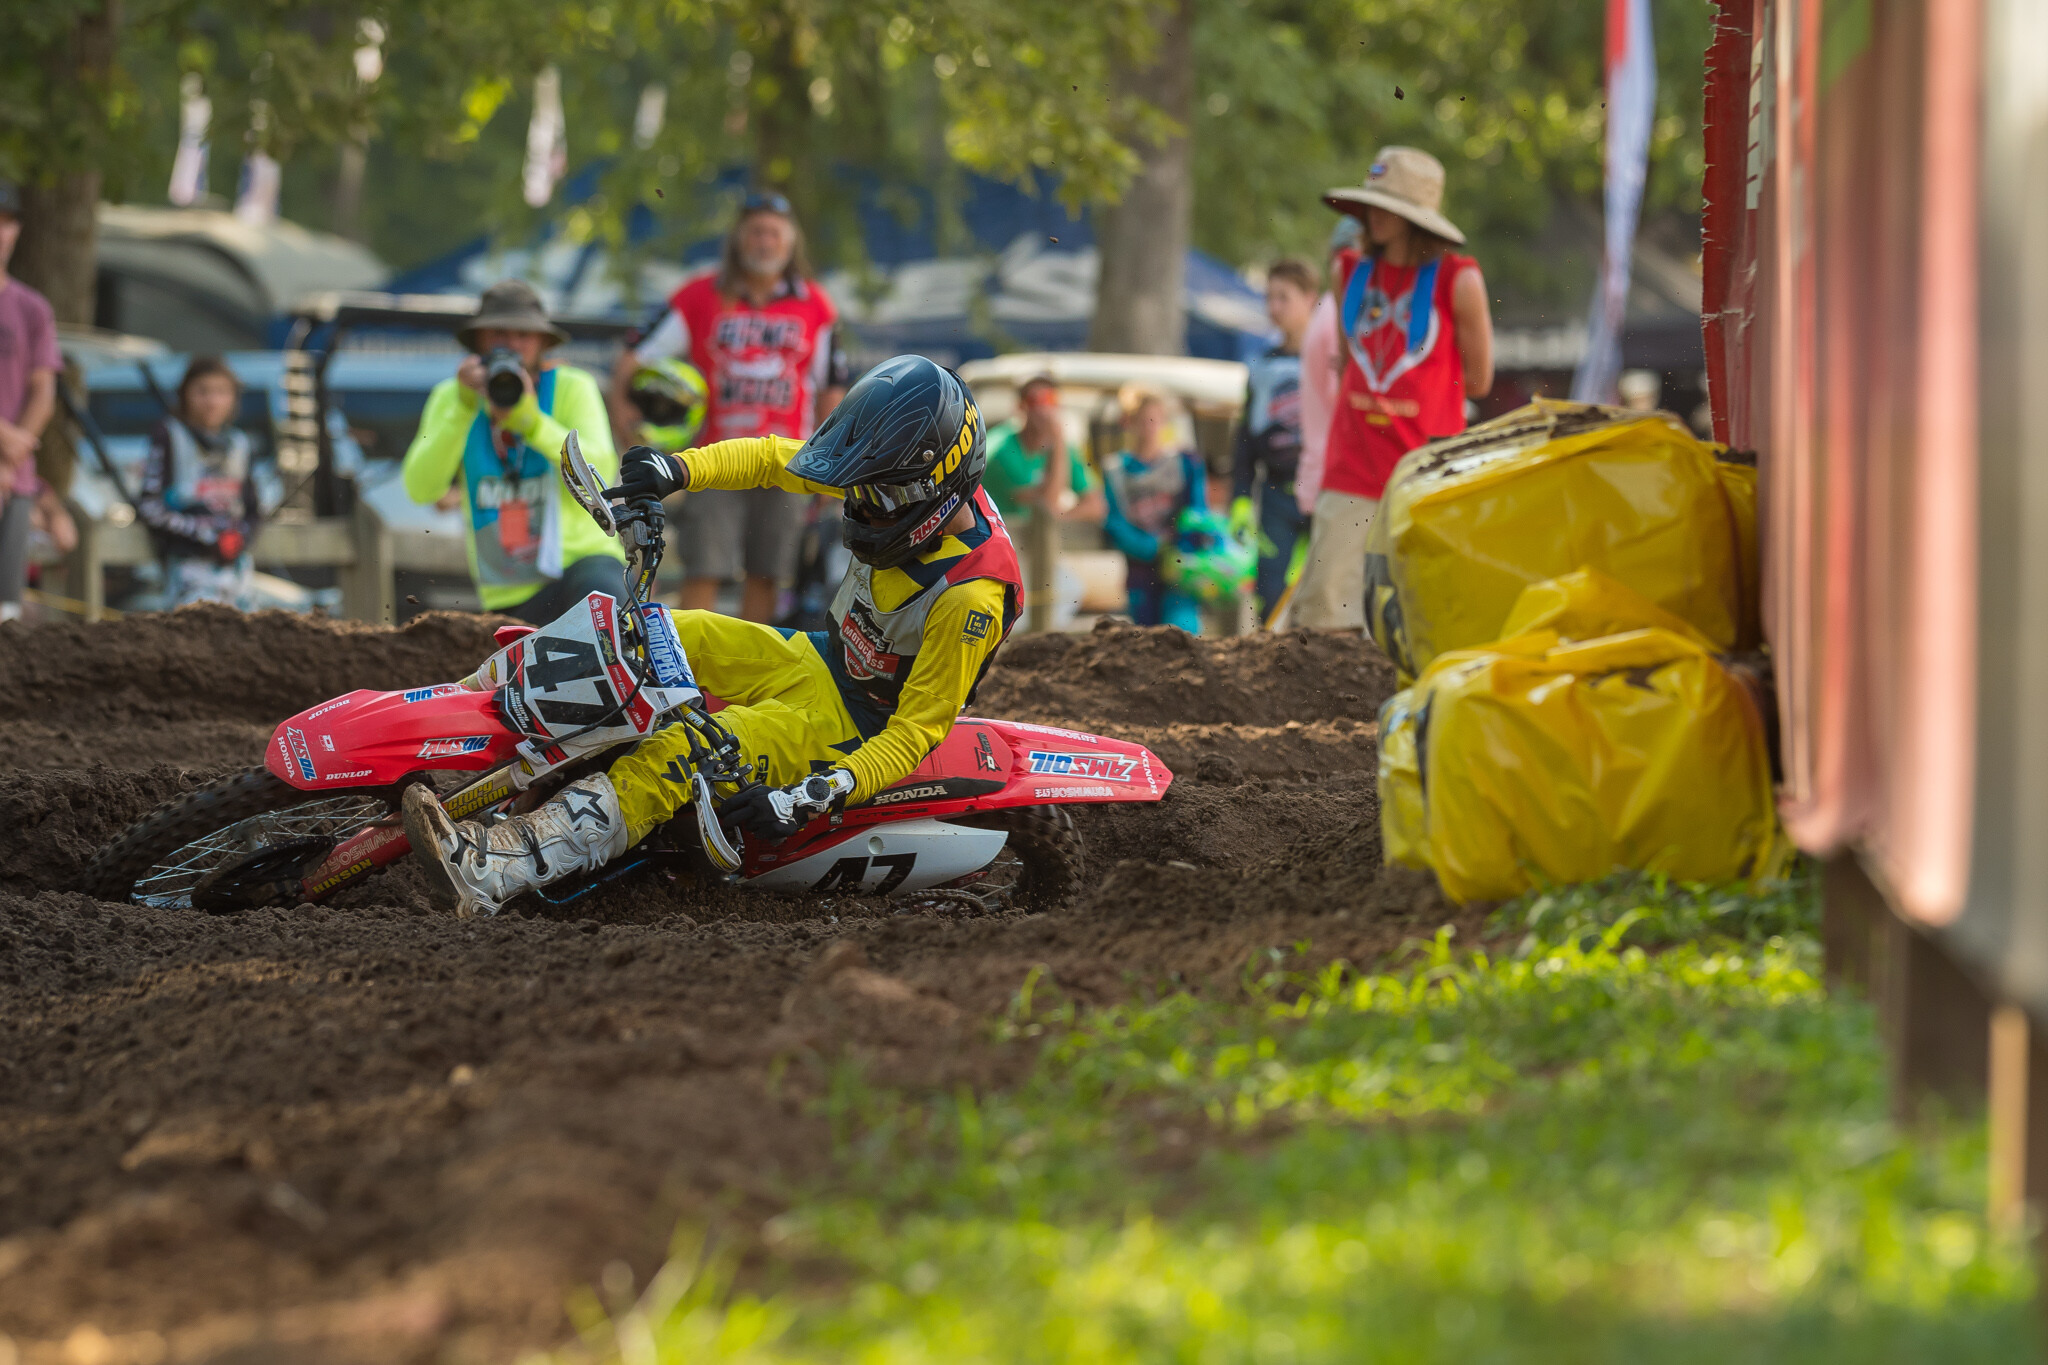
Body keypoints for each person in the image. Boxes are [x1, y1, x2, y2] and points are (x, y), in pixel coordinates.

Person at [400, 356, 1024, 918]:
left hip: (855, 723)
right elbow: (771, 459)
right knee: (647, 631)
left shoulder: (970, 597)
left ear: (932, 493)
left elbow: (916, 731)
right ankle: (438, 728)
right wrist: (677, 468)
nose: (858, 506)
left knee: (682, 753)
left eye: (877, 498)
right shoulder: (887, 476)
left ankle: (496, 870)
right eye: (860, 489)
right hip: (821, 657)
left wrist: (816, 794)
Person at [609, 191, 848, 623]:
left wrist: (828, 463)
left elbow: (832, 386)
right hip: (713, 460)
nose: (764, 242)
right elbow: (634, 358)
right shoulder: (699, 296)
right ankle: (690, 668)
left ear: (791, 242)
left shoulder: (816, 305)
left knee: (768, 572)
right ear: (738, 239)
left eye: (774, 233)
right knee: (704, 564)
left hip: (789, 460)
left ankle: (748, 671)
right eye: (756, 232)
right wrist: (626, 419)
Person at [1289, 147, 1494, 632]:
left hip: (1426, 478)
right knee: (1324, 621)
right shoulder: (1347, 271)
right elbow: (1347, 360)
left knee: (1424, 623)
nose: (1373, 216)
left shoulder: (1459, 280)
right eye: (1371, 204)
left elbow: (1480, 381)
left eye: (1388, 208)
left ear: (1415, 218)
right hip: (1351, 472)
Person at [402, 280, 625, 624]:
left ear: (542, 342)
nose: (511, 345)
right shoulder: (452, 396)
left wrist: (531, 422)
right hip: (507, 591)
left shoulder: (573, 386)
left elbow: (602, 470)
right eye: (499, 335)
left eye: (523, 335)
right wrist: (463, 407)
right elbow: (421, 488)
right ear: (478, 341)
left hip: (584, 566)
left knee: (609, 607)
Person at [136, 356, 266, 607]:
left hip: (236, 569)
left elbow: (254, 510)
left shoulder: (240, 443)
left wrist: (236, 538)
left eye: (221, 392)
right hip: (185, 568)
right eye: (202, 392)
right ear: (185, 394)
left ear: (233, 398)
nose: (212, 401)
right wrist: (203, 536)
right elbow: (149, 506)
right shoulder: (168, 435)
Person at [1229, 259, 1317, 617]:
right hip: (1277, 494)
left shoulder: (1333, 359)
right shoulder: (1260, 365)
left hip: (1324, 493)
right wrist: (1240, 499)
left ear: (1310, 298)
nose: (1274, 308)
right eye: (1269, 298)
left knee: (1326, 592)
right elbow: (1245, 439)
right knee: (1270, 594)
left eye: (1284, 298)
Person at [0, 181, 61, 624]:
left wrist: (13, 453)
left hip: (14, 476)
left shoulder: (33, 308)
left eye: (4, 222)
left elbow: (44, 389)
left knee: (7, 606)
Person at [1101, 386, 1207, 633]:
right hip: (1140, 571)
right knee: (1146, 638)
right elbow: (1115, 522)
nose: (1149, 426)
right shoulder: (1115, 471)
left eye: (1155, 419)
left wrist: (1181, 545)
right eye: (1142, 419)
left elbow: (1198, 512)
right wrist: (1151, 547)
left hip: (1181, 568)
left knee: (1182, 630)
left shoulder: (1185, 463)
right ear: (1128, 422)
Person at [981, 374, 1103, 529]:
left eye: (1050, 400)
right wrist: (1059, 437)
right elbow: (1048, 502)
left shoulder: (1064, 449)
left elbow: (1096, 505)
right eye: (1035, 401)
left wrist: (1062, 518)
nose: (1043, 408)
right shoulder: (1001, 449)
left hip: (1027, 542)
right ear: (1020, 407)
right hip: (996, 537)